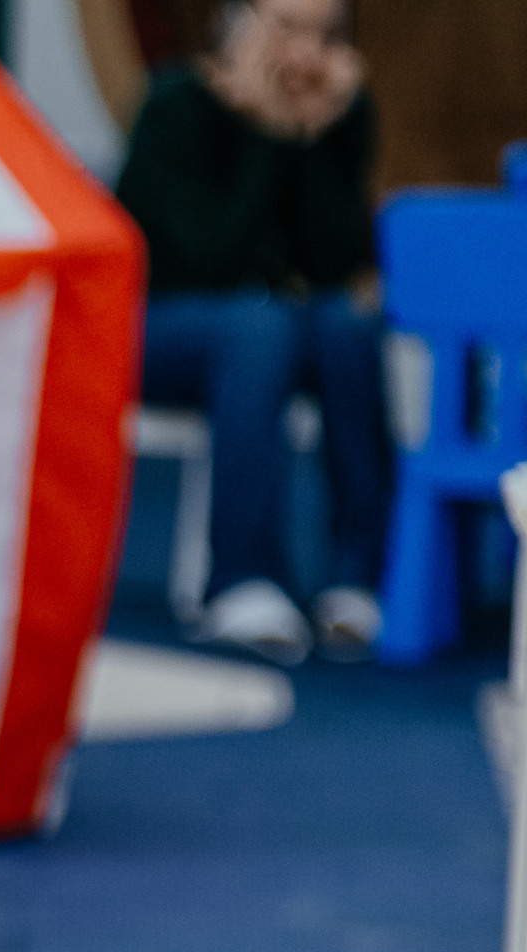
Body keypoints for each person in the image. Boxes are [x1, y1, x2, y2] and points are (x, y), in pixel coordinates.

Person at [116, 0, 391, 663]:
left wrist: (314, 138)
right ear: (238, 28)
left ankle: (358, 577)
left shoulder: (339, 113)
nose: (306, 54)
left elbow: (333, 261)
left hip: (267, 329)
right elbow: (205, 260)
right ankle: (243, 576)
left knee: (349, 325)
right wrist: (267, 133)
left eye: (326, 36)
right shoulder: (175, 107)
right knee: (256, 324)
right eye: (288, 30)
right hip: (161, 328)